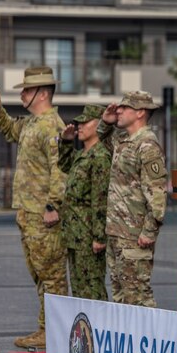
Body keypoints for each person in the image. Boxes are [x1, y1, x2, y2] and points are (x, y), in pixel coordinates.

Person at [0, 66, 68, 348]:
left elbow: (60, 170)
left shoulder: (53, 126)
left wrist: (52, 205)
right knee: (40, 273)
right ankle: (47, 329)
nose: (21, 94)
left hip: (43, 214)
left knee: (52, 274)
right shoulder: (32, 123)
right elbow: (11, 130)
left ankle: (54, 331)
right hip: (28, 212)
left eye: (26, 89)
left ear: (42, 93)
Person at [98, 91, 167, 307]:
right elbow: (100, 141)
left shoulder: (147, 145)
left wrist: (149, 231)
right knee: (120, 297)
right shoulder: (124, 141)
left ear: (140, 112)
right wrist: (106, 123)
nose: (118, 109)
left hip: (135, 236)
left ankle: (151, 338)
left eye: (124, 107)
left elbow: (157, 193)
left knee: (138, 297)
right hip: (117, 233)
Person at [59, 105, 111, 301]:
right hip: (75, 234)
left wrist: (99, 236)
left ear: (98, 124)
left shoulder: (99, 156)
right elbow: (64, 165)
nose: (79, 126)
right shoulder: (83, 155)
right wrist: (65, 141)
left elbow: (100, 199)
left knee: (92, 289)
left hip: (88, 236)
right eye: (79, 122)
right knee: (79, 290)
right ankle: (84, 331)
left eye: (85, 122)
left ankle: (98, 329)